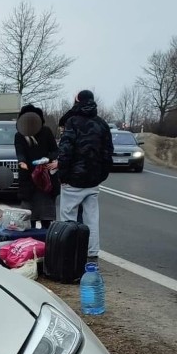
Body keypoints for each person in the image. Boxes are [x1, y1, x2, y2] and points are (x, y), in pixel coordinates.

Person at [57, 90, 113, 259]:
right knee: (92, 218)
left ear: (77, 102)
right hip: (93, 179)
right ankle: (92, 251)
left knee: (68, 217)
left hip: (73, 179)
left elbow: (65, 151)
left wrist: (63, 175)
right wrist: (101, 175)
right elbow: (108, 152)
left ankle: (69, 251)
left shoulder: (72, 122)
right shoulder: (102, 124)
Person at [14, 104, 60, 229]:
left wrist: (48, 159)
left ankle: (46, 240)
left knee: (46, 216)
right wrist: (22, 162)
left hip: (45, 177)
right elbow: (20, 151)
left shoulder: (46, 131)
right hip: (28, 177)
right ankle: (31, 242)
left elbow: (55, 150)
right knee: (29, 216)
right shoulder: (19, 135)